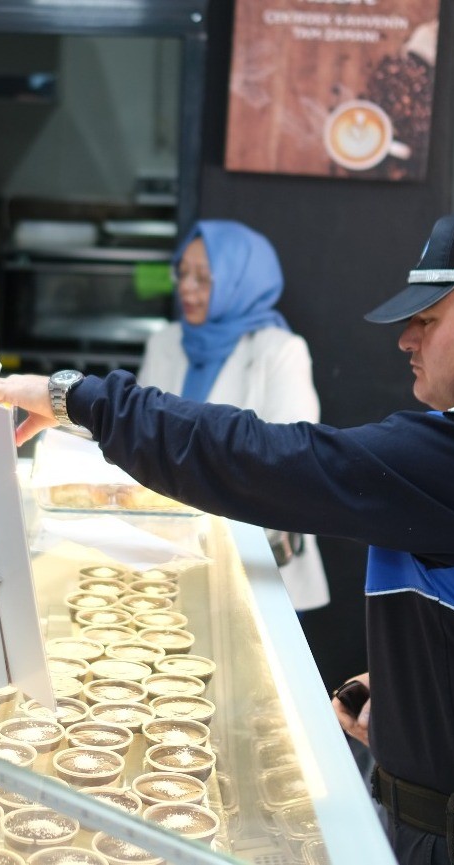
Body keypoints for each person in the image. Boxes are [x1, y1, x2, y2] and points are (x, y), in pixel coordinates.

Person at [0, 213, 454, 865]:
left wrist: (76, 398)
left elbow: (257, 461)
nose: (405, 340)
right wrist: (423, 699)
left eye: (425, 320)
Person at [136, 219, 329, 611]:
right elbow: (136, 435)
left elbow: (288, 459)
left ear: (241, 283)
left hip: (253, 570)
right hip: (165, 562)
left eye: (204, 278)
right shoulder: (165, 342)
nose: (187, 287)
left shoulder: (279, 351)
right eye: (183, 273)